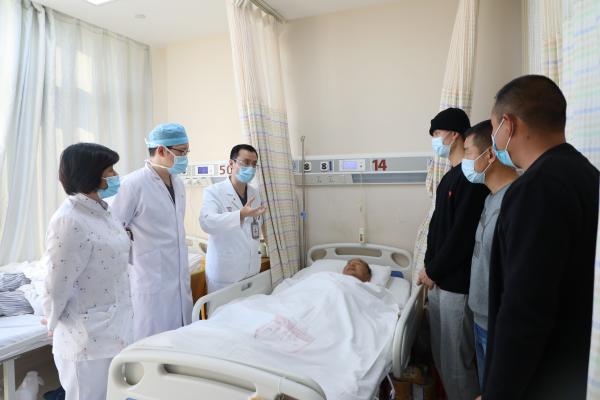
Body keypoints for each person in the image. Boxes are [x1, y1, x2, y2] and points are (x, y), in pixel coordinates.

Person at [480, 75, 599, 400]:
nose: (494, 140)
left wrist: (497, 392)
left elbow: (524, 310)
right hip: (576, 366)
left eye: (494, 128)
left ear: (508, 124)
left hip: (541, 377)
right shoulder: (587, 175)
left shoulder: (534, 190)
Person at [42, 143, 132, 400]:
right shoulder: (69, 219)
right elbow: (56, 281)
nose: (115, 175)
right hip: (86, 336)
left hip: (116, 327)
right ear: (90, 173)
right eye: (109, 170)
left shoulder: (104, 211)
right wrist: (52, 318)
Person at [417, 107, 488, 400]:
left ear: (454, 134)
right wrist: (428, 267)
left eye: (437, 133)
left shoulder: (470, 180)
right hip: (439, 281)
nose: (434, 139)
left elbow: (461, 237)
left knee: (457, 365)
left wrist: (433, 270)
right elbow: (437, 229)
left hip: (456, 285)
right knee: (443, 359)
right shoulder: (449, 177)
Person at [110, 123, 192, 341]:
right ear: (162, 150)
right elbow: (112, 228)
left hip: (177, 276)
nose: (185, 157)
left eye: (187, 152)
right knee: (152, 344)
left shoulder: (178, 184)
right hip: (149, 277)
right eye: (181, 152)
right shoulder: (132, 184)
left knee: (179, 340)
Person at [461, 120, 518, 388]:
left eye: (468, 152)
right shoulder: (490, 198)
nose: (464, 161)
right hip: (480, 315)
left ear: (490, 154)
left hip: (499, 324)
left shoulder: (515, 202)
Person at [200, 144, 266, 293]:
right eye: (246, 162)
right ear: (231, 163)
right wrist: (240, 215)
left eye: (254, 164)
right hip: (226, 275)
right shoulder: (214, 192)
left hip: (251, 272)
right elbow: (207, 222)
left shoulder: (255, 194)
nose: (250, 168)